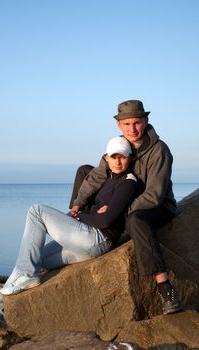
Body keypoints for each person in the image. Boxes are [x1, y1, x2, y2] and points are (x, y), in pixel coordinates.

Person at [0, 136, 139, 326]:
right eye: (114, 157)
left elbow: (106, 219)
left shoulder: (129, 182)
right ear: (106, 158)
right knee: (33, 258)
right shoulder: (105, 179)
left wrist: (80, 217)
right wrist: (92, 213)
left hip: (97, 239)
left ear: (130, 158)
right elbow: (98, 211)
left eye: (123, 157)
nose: (118, 161)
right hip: (84, 239)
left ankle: (26, 276)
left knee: (36, 211)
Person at [68, 99, 182, 315]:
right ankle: (79, 225)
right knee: (84, 170)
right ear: (119, 124)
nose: (132, 129)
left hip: (154, 206)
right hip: (122, 198)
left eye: (136, 123)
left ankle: (165, 287)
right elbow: (97, 176)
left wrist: (116, 209)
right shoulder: (119, 145)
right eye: (127, 124)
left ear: (146, 121)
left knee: (135, 220)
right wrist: (76, 206)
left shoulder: (159, 150)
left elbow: (154, 195)